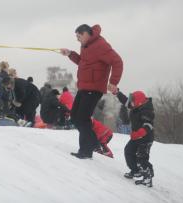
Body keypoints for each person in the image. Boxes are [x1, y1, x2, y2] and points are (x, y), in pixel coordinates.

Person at [61, 24, 123, 159]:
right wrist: (70, 54)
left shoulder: (101, 45)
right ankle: (95, 143)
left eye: (79, 36)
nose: (77, 39)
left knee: (82, 119)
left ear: (86, 34)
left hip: (94, 88)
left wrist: (113, 82)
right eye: (76, 37)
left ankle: (86, 151)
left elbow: (117, 61)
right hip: (84, 87)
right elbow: (84, 62)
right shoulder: (85, 46)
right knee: (75, 117)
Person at [118, 90, 155, 187]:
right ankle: (136, 171)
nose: (131, 103)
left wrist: (139, 133)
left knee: (141, 157)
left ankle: (148, 178)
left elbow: (148, 125)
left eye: (132, 101)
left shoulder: (147, 110)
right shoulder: (136, 106)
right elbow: (126, 101)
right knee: (128, 151)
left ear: (138, 101)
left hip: (145, 137)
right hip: (136, 136)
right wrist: (116, 92)